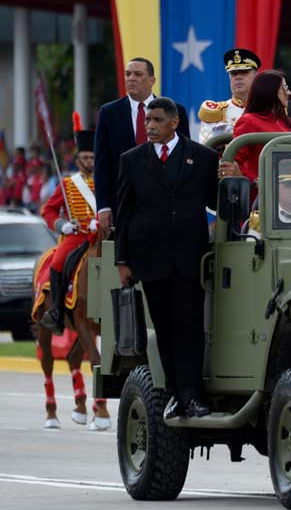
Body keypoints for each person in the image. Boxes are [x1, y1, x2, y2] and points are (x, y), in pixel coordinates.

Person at [114, 97, 218, 420]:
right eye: (148, 120)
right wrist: (122, 260)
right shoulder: (132, 160)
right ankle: (176, 392)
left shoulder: (203, 158)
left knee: (190, 326)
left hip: (189, 257)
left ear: (174, 122)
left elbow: (216, 201)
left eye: (157, 120)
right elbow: (123, 212)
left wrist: (232, 177)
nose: (150, 126)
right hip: (150, 257)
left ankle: (192, 395)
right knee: (165, 328)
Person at [94, 58, 190, 231]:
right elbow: (102, 164)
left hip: (166, 203)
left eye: (138, 74)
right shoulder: (109, 113)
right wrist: (103, 206)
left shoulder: (175, 111)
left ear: (152, 80)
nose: (131, 78)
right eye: (128, 74)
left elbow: (184, 158)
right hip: (122, 203)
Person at [39, 129, 98, 332]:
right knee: (57, 262)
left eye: (92, 158)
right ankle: (57, 312)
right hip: (77, 235)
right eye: (85, 158)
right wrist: (62, 225)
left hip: (102, 234)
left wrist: (101, 221)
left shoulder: (106, 181)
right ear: (77, 160)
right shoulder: (68, 184)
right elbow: (48, 211)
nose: (89, 162)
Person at [221, 70, 291, 202]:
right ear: (271, 91)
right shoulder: (249, 121)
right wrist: (257, 181)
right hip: (262, 201)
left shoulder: (286, 121)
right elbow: (233, 164)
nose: (289, 93)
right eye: (285, 88)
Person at [198, 48, 261, 144]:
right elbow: (204, 147)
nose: (238, 77)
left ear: (256, 76)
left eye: (244, 72)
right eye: (233, 73)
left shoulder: (269, 109)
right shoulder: (216, 112)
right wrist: (217, 142)